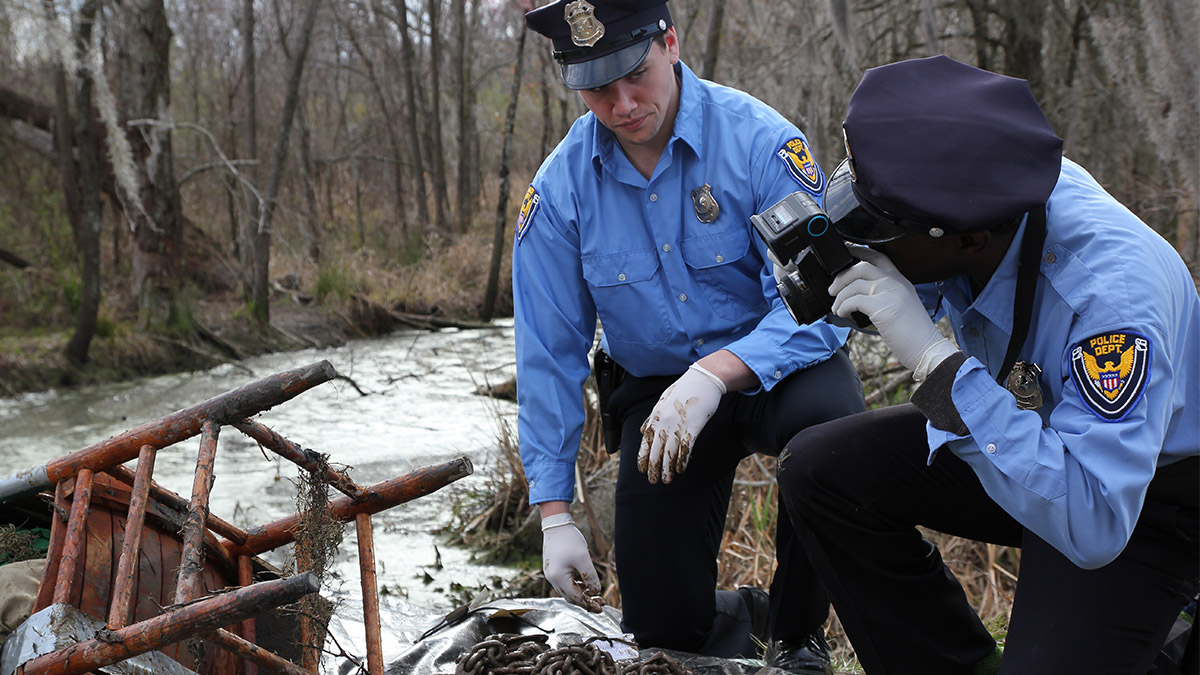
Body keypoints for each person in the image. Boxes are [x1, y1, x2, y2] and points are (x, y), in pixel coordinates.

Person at [774, 54, 1199, 674]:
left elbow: (1095, 521)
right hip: (1025, 431)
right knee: (819, 470)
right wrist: (848, 284)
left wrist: (934, 362)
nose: (866, 235)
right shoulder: (983, 186)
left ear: (968, 238)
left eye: (880, 227)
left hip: (1136, 493)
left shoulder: (1110, 301)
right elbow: (924, 258)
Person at [513, 1, 865, 671]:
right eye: (596, 87)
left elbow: (817, 305)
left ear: (670, 43)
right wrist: (554, 512)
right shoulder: (559, 192)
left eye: (636, 75)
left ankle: (797, 638)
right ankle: (742, 616)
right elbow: (547, 355)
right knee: (664, 636)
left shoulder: (762, 143)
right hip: (658, 395)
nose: (621, 105)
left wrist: (716, 373)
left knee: (831, 436)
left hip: (780, 372)